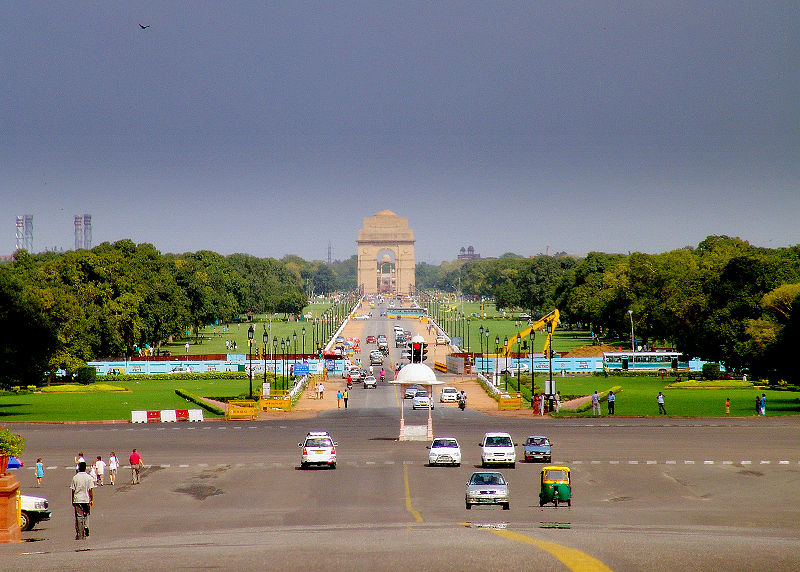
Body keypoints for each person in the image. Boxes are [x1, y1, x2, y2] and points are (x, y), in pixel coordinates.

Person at [71, 461, 94, 540]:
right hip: (86, 499)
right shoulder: (89, 477)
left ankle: (80, 532)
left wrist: (72, 500)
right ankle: (86, 526)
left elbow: (73, 490)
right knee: (86, 514)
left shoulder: (75, 477)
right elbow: (90, 490)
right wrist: (92, 499)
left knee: (79, 516)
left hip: (77, 499)